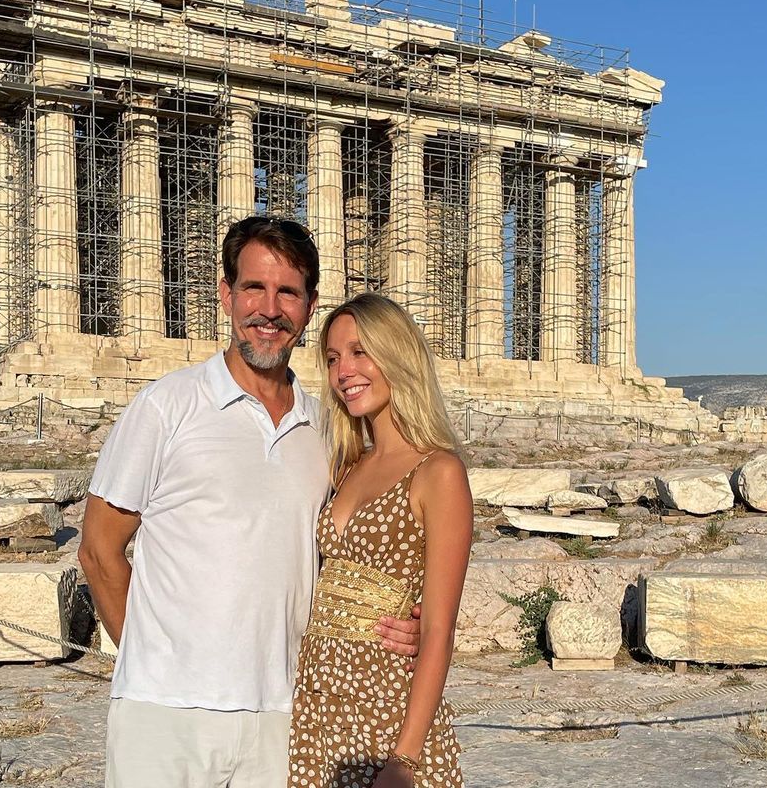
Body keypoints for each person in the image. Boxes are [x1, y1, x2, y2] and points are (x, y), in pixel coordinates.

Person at [79, 217, 420, 788]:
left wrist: (409, 621)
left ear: (309, 307)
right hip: (166, 716)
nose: (269, 309)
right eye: (254, 288)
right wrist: (155, 661)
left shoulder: (329, 431)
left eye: (288, 292)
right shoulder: (165, 407)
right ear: (226, 294)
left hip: (284, 717)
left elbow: (353, 557)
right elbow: (98, 550)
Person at [287, 293, 472, 788]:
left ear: (397, 354)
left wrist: (403, 759)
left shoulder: (438, 471)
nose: (343, 372)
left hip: (387, 706)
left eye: (359, 351)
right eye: (332, 358)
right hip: (317, 707)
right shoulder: (345, 465)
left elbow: (438, 629)